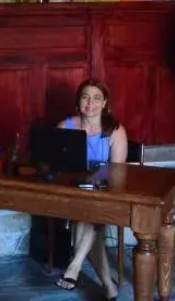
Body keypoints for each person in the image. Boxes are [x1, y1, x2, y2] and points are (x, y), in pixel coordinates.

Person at [54, 78, 128, 300]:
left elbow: (117, 173)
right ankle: (109, 286)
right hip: (72, 192)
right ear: (78, 101)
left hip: (104, 194)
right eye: (85, 97)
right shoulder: (65, 126)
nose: (90, 103)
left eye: (97, 98)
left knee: (88, 215)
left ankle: (74, 266)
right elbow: (53, 162)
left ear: (105, 103)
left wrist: (95, 183)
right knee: (87, 217)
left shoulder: (115, 131)